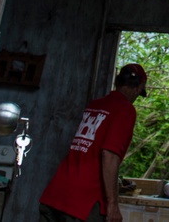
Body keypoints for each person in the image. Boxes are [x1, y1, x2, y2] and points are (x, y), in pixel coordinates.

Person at [39, 64, 148, 222]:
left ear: (117, 83)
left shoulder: (95, 105)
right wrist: (112, 204)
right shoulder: (125, 110)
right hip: (83, 203)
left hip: (56, 194)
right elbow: (109, 155)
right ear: (137, 89)